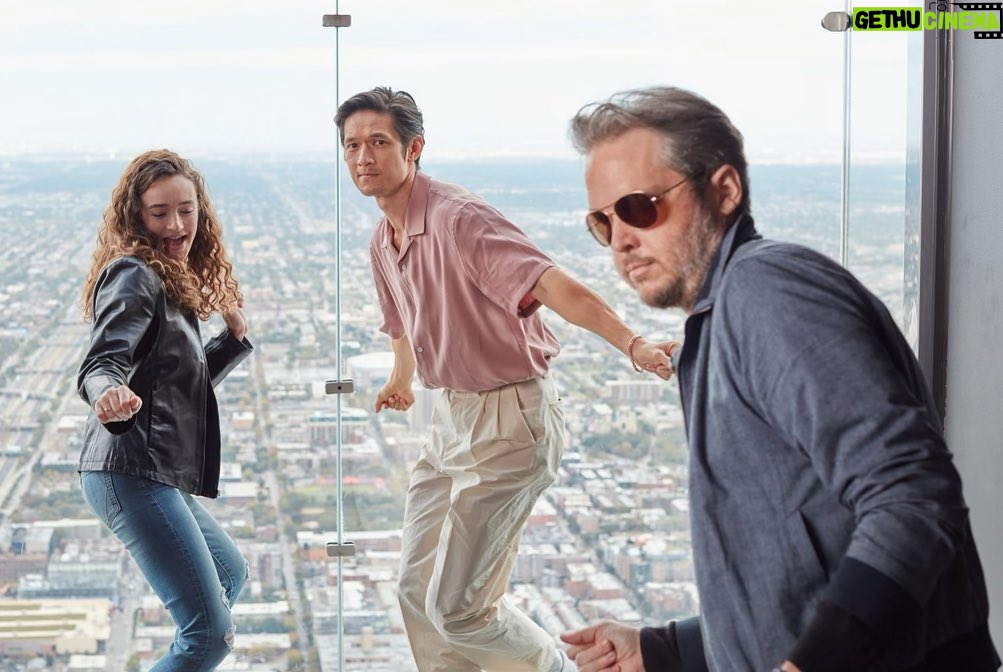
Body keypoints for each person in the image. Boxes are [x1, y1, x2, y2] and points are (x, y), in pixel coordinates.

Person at [559, 86, 1000, 672]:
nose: (621, 240)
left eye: (640, 207)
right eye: (602, 221)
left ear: (724, 190)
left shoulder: (766, 294)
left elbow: (912, 500)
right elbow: (798, 568)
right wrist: (666, 649)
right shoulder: (719, 324)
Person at [334, 86, 676, 672]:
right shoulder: (382, 239)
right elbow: (403, 319)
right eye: (352, 146)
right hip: (452, 419)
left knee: (460, 609)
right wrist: (402, 378)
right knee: (414, 592)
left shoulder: (457, 217)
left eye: (378, 142)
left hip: (510, 421)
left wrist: (633, 343)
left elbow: (552, 285)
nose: (363, 156)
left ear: (413, 148)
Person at [77, 149, 253, 671]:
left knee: (229, 574)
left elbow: (177, 387)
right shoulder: (134, 274)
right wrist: (106, 390)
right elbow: (102, 362)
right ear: (136, 218)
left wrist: (232, 340)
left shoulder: (169, 279)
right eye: (159, 213)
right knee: (208, 635)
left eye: (187, 210)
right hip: (128, 470)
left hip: (149, 469)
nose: (177, 226)